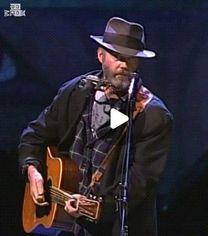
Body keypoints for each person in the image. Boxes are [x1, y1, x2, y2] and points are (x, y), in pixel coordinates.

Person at [18, 17, 173, 236]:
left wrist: (97, 207)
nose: (124, 65)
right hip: (62, 227)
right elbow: (34, 136)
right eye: (117, 56)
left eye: (131, 59)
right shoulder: (75, 92)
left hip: (112, 228)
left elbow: (140, 182)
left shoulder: (152, 114)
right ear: (101, 55)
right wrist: (33, 170)